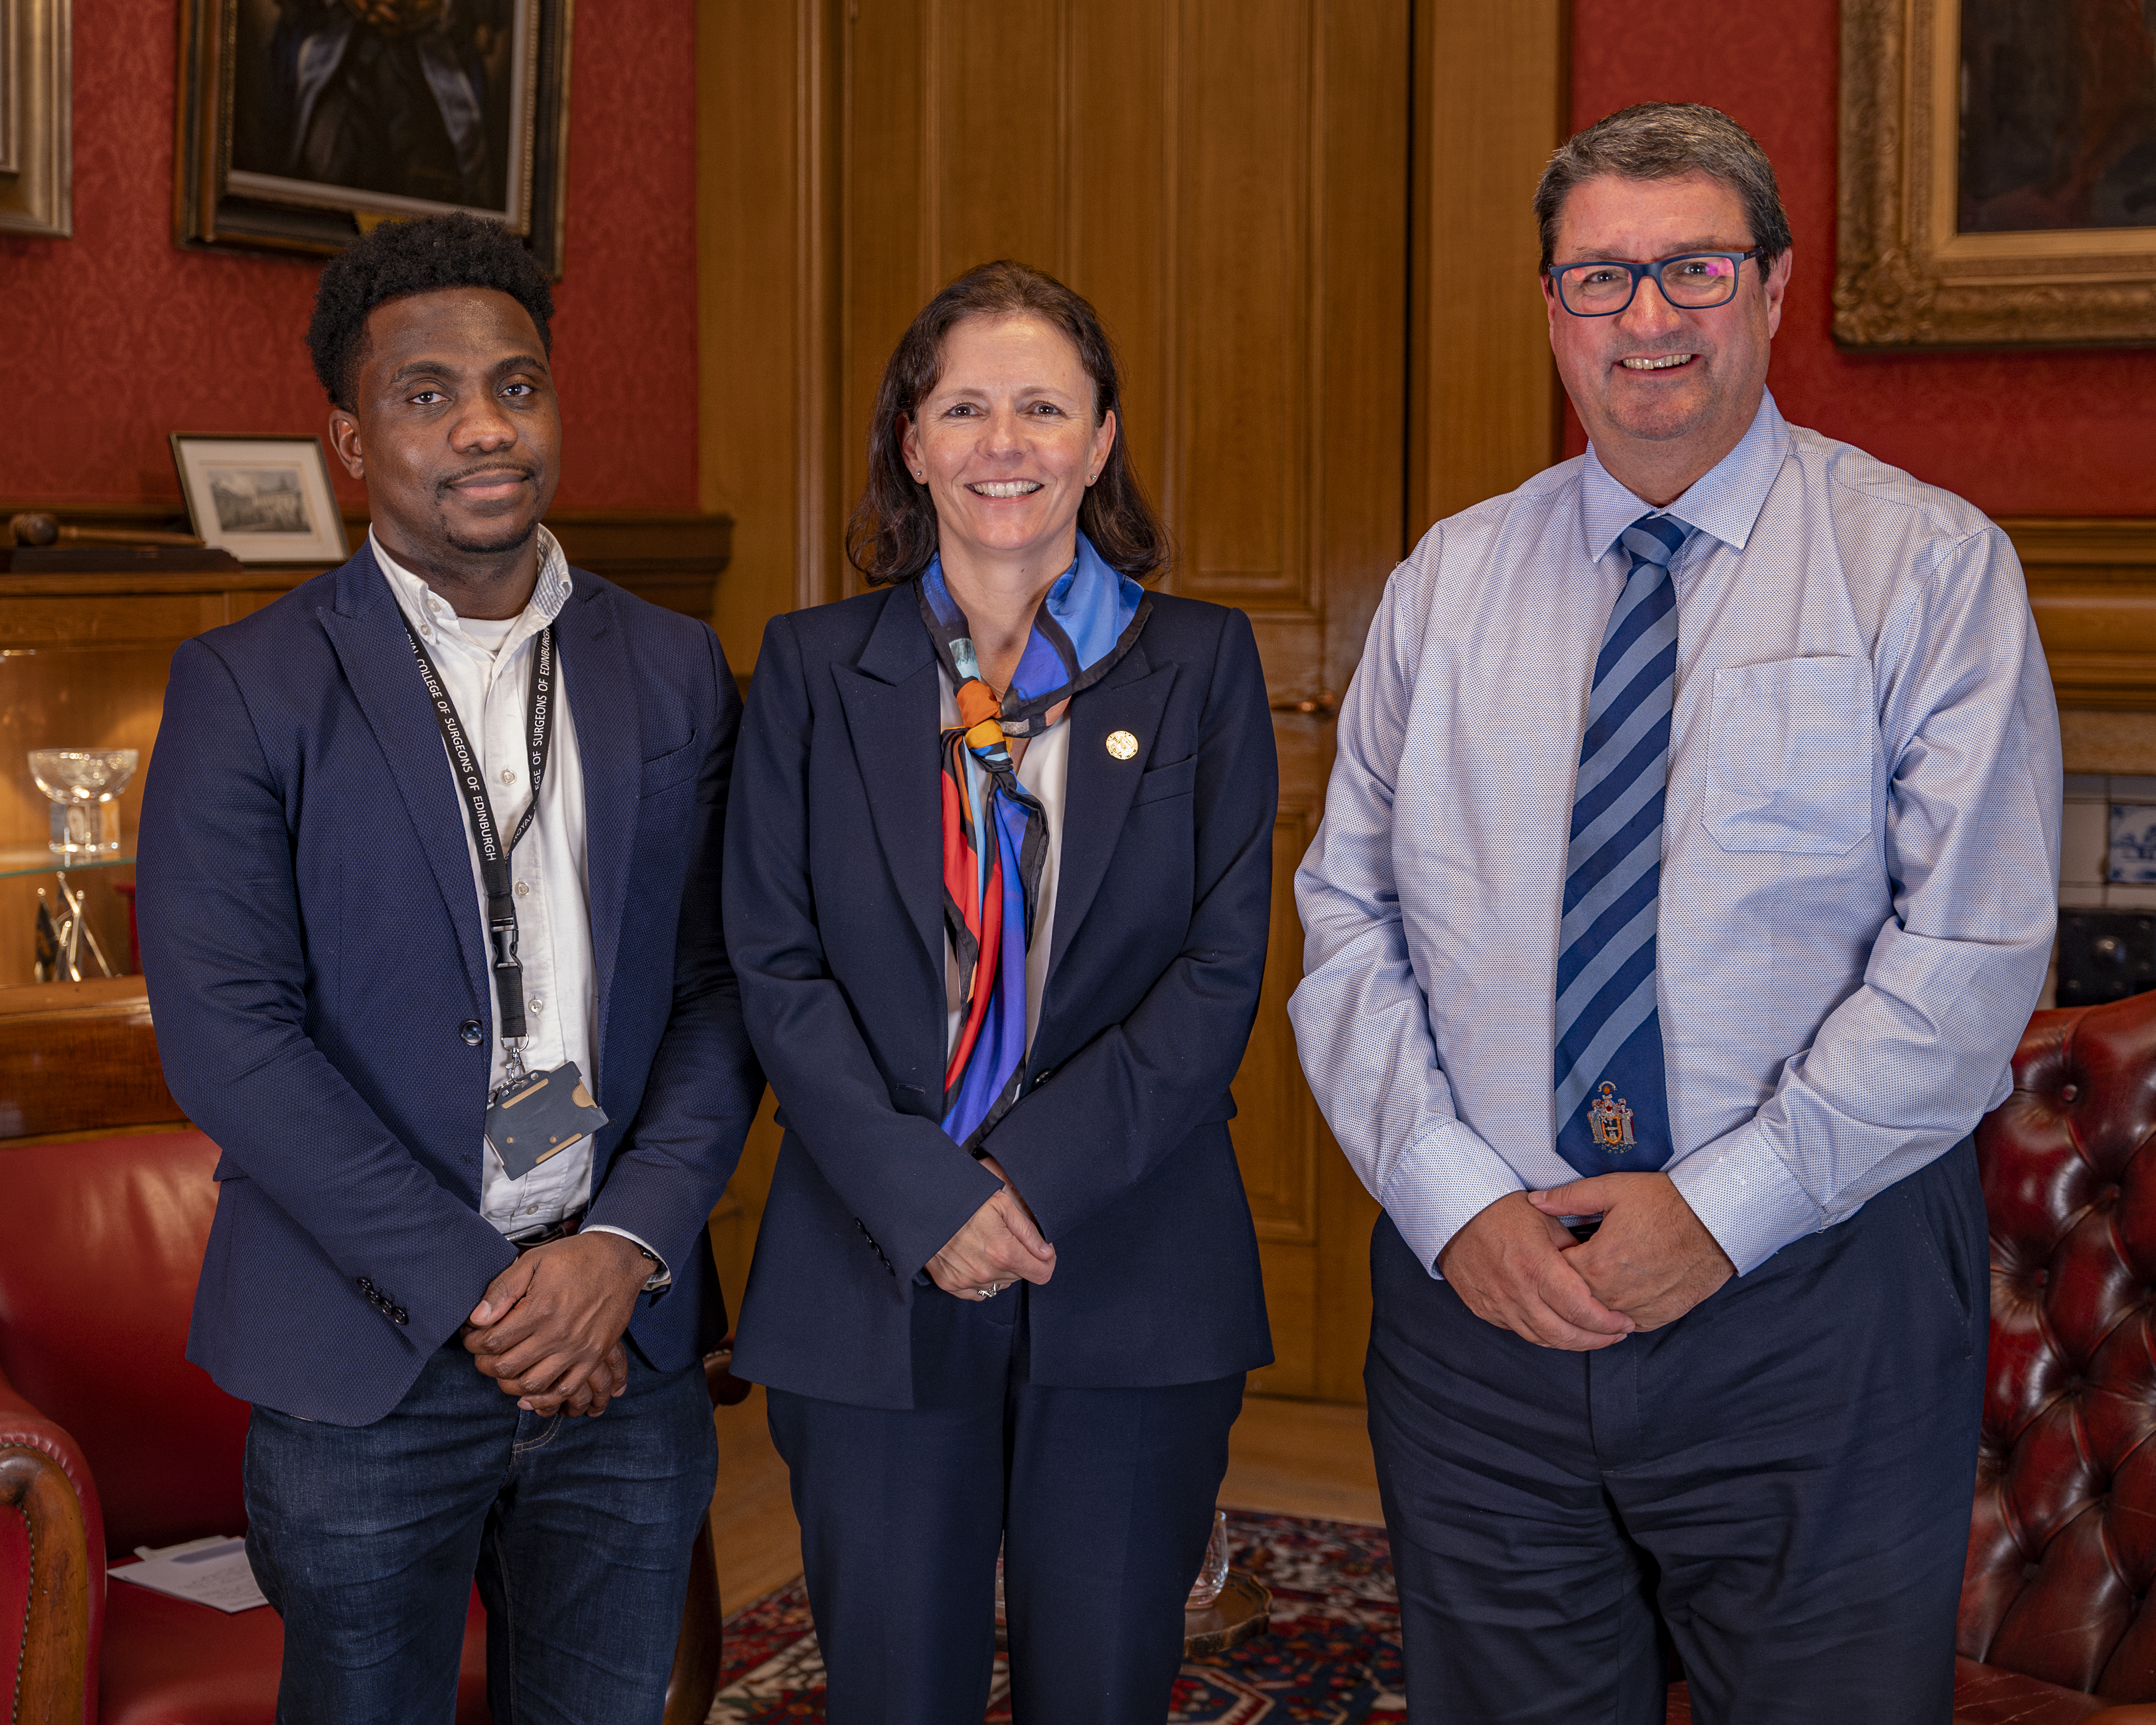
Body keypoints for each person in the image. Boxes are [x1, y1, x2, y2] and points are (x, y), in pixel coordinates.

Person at [1289, 103, 2061, 1723]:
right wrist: (1449, 1202)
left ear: (1770, 287)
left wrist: (1721, 1209)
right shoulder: (1444, 583)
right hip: (1481, 1306)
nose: (1646, 316)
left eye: (1693, 268)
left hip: (1811, 1300)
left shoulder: (1925, 568)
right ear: (1551, 306)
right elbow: (1347, 921)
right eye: (1599, 277)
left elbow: (1969, 962)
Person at [136, 211, 761, 1724]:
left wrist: (621, 1250)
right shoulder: (246, 685)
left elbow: (720, 992)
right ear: (353, 443)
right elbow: (229, 1041)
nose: (486, 425)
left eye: (516, 384)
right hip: (367, 1357)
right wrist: (492, 1295)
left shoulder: (674, 667)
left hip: (622, 1338)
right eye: (428, 394)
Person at [723, 260, 1278, 1725]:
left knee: (1099, 1689)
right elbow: (774, 965)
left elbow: (1218, 971)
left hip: (1134, 1258)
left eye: (1043, 406)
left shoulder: (1200, 663)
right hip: (870, 1260)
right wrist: (932, 1198)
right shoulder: (809, 668)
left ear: (1100, 440)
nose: (1004, 442)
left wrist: (1020, 1183)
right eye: (963, 407)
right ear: (911, 441)